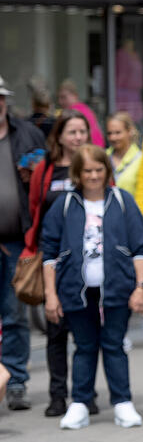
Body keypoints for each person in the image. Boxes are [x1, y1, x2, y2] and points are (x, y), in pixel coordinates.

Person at [40, 144, 143, 430]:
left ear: (107, 170)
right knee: (84, 347)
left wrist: (141, 287)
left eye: (99, 169)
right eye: (87, 170)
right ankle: (79, 404)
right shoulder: (64, 205)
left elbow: (140, 247)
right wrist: (50, 295)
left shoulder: (121, 200)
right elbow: (49, 252)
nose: (93, 175)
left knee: (114, 345)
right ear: (77, 173)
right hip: (75, 289)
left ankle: (123, 403)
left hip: (117, 288)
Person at [25, 110, 91, 418]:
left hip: (88, 261)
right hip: (54, 261)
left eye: (83, 132)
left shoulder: (93, 166)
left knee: (86, 333)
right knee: (55, 332)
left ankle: (85, 394)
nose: (78, 137)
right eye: (72, 132)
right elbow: (35, 208)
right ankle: (57, 395)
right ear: (60, 136)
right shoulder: (46, 169)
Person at [0, 75, 45, 410]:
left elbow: (43, 182)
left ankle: (15, 381)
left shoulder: (26, 133)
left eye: (0, 98)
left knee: (15, 314)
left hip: (19, 240)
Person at [56, 79, 105, 148]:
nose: (60, 102)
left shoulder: (73, 113)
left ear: (75, 95)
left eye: (63, 97)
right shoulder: (85, 108)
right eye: (58, 98)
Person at [106, 112, 142, 195]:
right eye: (109, 133)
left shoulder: (141, 159)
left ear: (129, 131)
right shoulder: (103, 157)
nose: (113, 137)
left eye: (118, 133)